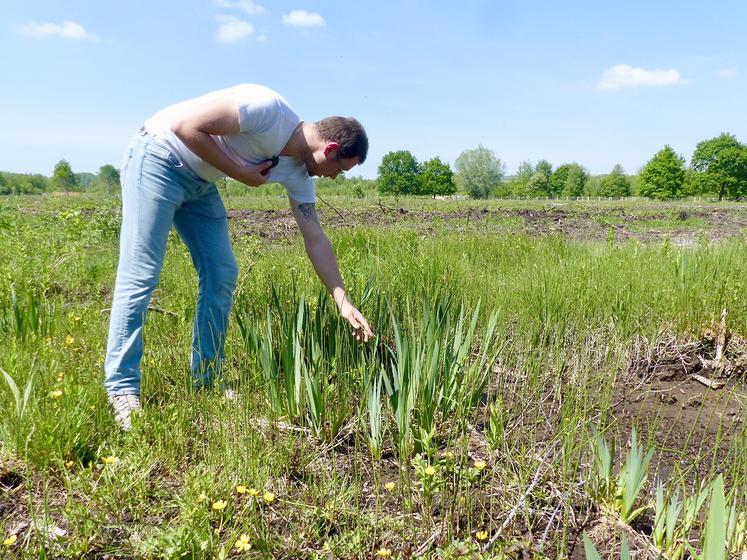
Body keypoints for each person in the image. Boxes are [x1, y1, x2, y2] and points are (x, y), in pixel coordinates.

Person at [104, 83, 373, 429]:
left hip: (199, 184)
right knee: (141, 273)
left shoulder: (299, 172)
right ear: (331, 149)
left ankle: (207, 380)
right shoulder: (267, 109)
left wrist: (343, 301)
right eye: (340, 169)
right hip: (158, 157)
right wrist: (240, 172)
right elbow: (185, 127)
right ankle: (122, 389)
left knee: (222, 273)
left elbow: (315, 238)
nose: (334, 176)